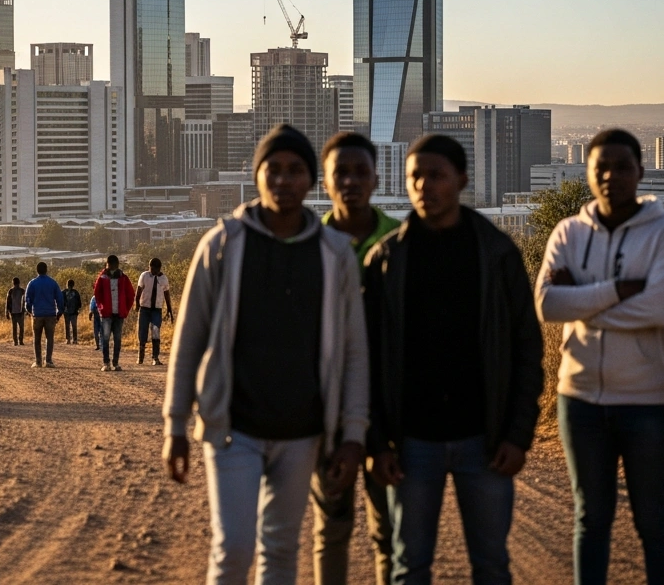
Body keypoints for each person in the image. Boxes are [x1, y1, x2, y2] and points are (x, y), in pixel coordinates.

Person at [163, 124, 369, 585]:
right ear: (256, 176)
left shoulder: (334, 253)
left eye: (295, 170)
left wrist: (353, 432)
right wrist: (175, 424)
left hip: (303, 432)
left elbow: (354, 350)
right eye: (272, 169)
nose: (283, 180)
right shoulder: (223, 244)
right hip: (235, 428)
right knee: (233, 549)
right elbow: (190, 337)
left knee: (280, 551)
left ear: (311, 181)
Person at [364, 134, 544, 585]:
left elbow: (527, 347)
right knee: (409, 567)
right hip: (412, 442)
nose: (424, 186)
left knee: (491, 566)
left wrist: (518, 434)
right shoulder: (386, 260)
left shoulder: (497, 253)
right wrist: (376, 441)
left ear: (462, 179)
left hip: (483, 438)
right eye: (415, 177)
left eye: (436, 175)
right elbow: (364, 359)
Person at [535, 129, 664, 585]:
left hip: (649, 401)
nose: (610, 176)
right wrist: (617, 292)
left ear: (641, 172)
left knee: (654, 519)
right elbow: (547, 306)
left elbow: (658, 308)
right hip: (579, 398)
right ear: (586, 172)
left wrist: (579, 299)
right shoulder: (568, 232)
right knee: (590, 519)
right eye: (600, 166)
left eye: (622, 166)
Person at [312, 132, 403, 585]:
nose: (350, 181)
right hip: (330, 407)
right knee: (333, 525)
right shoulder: (312, 247)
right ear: (325, 183)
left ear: (376, 177)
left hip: (392, 406)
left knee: (390, 531)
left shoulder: (403, 242)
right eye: (339, 173)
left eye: (359, 172)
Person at [93, 254, 134, 372]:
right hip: (106, 314)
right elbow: (97, 294)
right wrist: (101, 308)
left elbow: (130, 295)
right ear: (107, 264)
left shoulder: (123, 278)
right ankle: (106, 363)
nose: (111, 267)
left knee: (117, 339)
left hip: (119, 314)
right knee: (105, 338)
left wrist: (125, 309)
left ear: (117, 265)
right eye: (109, 265)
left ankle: (116, 363)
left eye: (113, 265)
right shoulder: (102, 278)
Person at [23, 261, 63, 368]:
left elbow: (27, 300)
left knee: (37, 338)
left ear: (37, 270)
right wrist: (59, 312)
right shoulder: (53, 283)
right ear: (46, 270)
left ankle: (38, 361)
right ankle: (48, 360)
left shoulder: (32, 283)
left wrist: (30, 312)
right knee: (50, 338)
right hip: (50, 314)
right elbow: (59, 298)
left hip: (37, 314)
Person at [135, 257, 173, 365]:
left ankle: (155, 357)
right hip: (145, 308)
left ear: (159, 269)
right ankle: (140, 356)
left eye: (156, 270)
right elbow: (138, 290)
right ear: (149, 267)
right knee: (143, 332)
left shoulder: (163, 278)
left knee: (156, 331)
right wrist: (137, 303)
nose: (154, 272)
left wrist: (169, 309)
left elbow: (166, 294)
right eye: (151, 269)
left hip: (157, 309)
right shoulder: (144, 276)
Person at [5, 277, 26, 346]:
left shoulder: (11, 291)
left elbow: (7, 302)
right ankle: (20, 341)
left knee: (15, 328)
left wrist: (7, 312)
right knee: (21, 327)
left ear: (13, 283)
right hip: (20, 312)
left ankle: (16, 341)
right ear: (19, 283)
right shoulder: (22, 291)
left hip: (14, 312)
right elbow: (26, 301)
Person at [62, 279, 83, 345]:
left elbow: (61, 301)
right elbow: (79, 303)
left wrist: (62, 309)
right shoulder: (76, 292)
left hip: (66, 312)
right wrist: (77, 308)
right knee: (74, 326)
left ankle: (68, 339)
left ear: (67, 284)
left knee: (67, 326)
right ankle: (75, 340)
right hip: (74, 312)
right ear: (73, 285)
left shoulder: (64, 292)